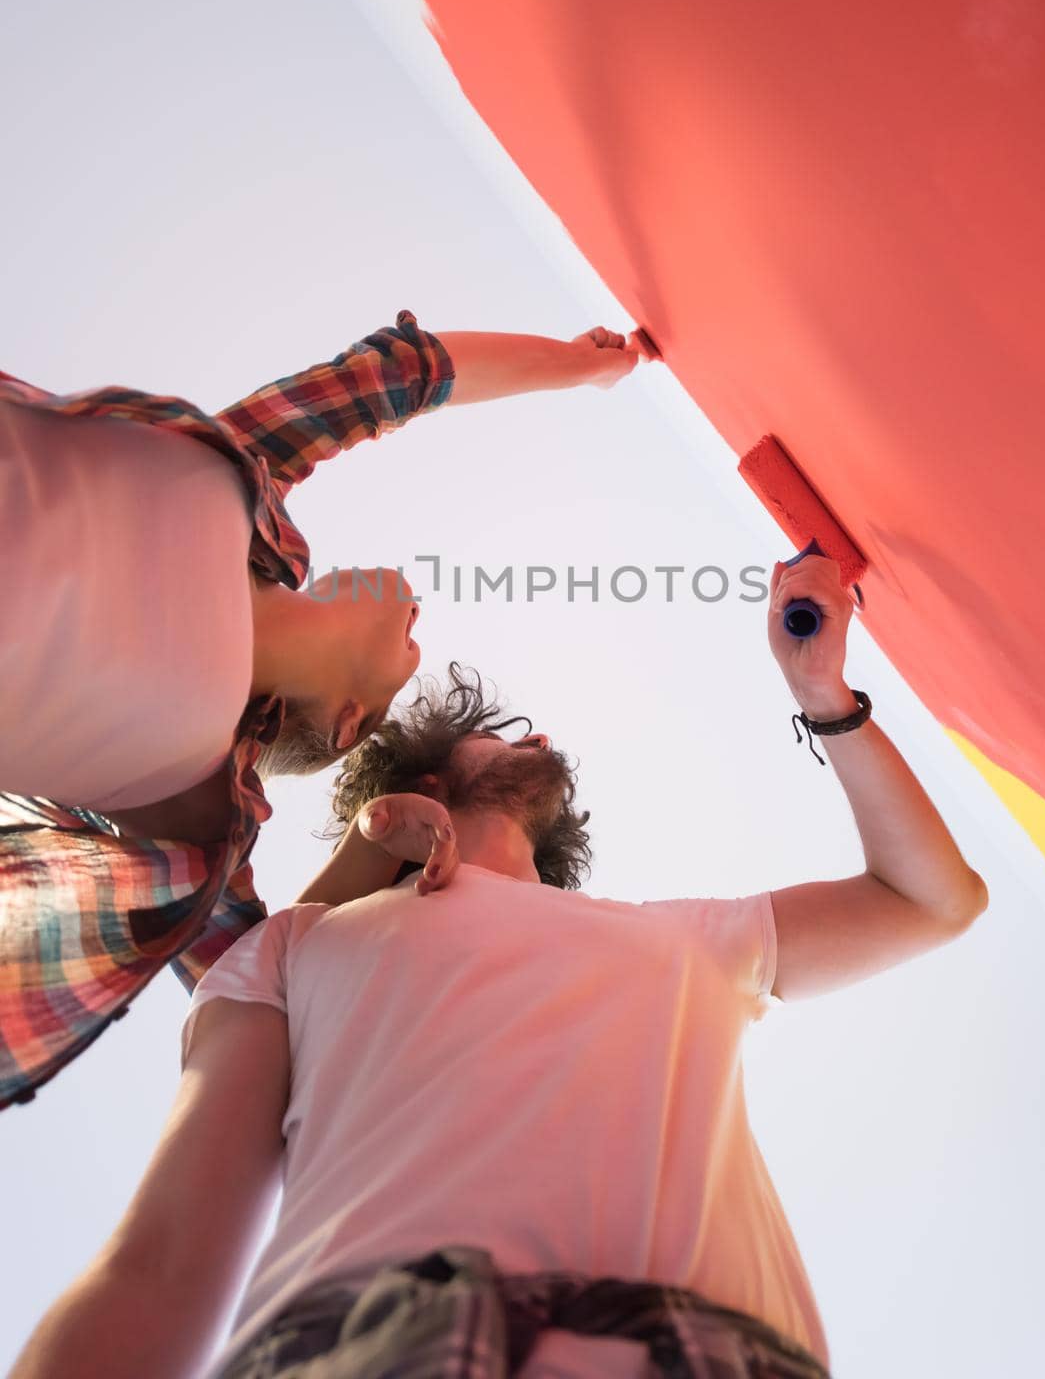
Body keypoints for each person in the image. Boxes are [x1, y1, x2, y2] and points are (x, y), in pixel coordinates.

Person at [9, 554, 989, 1378]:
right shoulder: (289, 947)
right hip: (374, 1343)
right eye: (508, 734)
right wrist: (362, 848)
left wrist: (824, 696)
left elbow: (933, 899)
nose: (540, 736)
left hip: (709, 1349)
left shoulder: (688, 935)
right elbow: (160, 1265)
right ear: (427, 775)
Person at [0, 317, 644, 1109]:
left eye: (406, 670)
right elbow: (402, 375)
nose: (418, 633)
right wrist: (581, 367)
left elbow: (259, 986)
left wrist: (369, 848)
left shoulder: (188, 801)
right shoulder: (234, 480)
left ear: (346, 720)